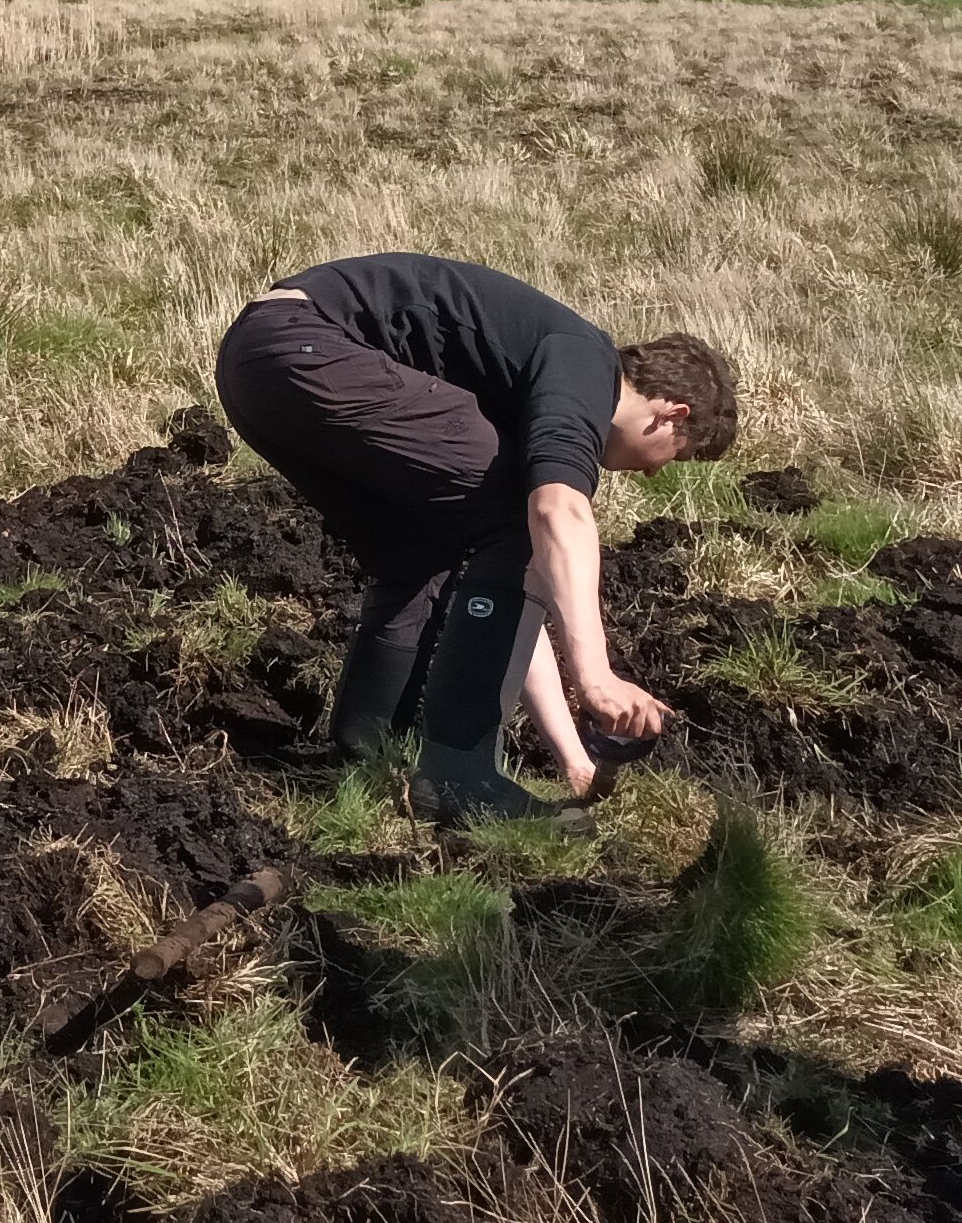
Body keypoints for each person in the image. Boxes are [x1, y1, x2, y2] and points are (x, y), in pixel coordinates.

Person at [215, 253, 737, 820]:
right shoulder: (587, 364)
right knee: (517, 508)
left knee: (416, 556)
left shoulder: (538, 385)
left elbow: (514, 586)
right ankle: (460, 780)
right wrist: (597, 678)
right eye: (676, 456)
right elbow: (556, 513)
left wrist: (571, 753)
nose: (657, 471)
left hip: (256, 361)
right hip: (307, 345)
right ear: (670, 415)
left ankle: (367, 755)